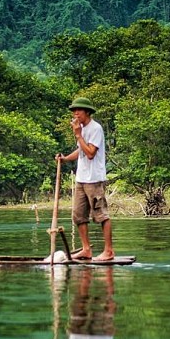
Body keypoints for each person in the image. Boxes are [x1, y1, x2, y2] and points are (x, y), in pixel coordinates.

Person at [55, 97, 115, 262]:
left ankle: (109, 251)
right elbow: (80, 150)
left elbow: (90, 154)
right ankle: (86, 250)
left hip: (94, 179)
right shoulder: (81, 129)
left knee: (101, 215)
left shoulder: (96, 129)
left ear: (87, 112)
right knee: (78, 215)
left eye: (78, 110)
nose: (75, 113)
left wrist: (78, 135)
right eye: (74, 111)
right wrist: (65, 158)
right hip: (81, 179)